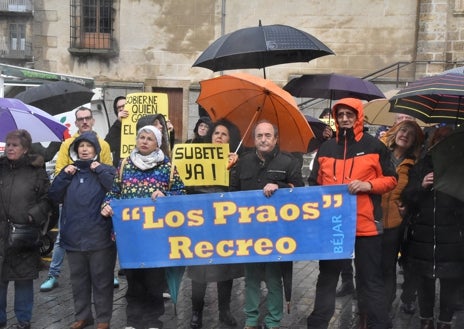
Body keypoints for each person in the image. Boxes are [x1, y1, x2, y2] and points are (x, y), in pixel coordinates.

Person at [306, 98, 397, 329]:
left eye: (349, 114)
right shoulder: (325, 148)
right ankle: (317, 324)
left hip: (366, 225)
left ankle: (378, 324)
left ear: (358, 117)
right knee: (326, 278)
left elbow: (391, 179)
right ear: (336, 118)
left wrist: (369, 186)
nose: (345, 118)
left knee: (370, 280)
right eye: (341, 115)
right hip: (334, 225)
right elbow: (314, 183)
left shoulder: (375, 146)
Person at [101, 125, 185, 329]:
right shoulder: (124, 165)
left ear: (158, 143)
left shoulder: (167, 167)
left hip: (156, 234)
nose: (144, 141)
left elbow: (181, 194)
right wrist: (106, 205)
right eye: (141, 137)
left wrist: (166, 196)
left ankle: (153, 320)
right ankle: (134, 320)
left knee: (154, 279)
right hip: (130, 234)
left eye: (150, 138)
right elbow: (114, 192)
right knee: (134, 278)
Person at [230, 120, 304, 329]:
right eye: (259, 136)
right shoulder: (242, 162)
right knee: (251, 277)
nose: (263, 139)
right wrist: (227, 167)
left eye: (268, 135)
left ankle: (273, 321)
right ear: (254, 139)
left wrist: (279, 186)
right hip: (249, 231)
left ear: (275, 138)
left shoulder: (288, 163)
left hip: (276, 232)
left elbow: (300, 191)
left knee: (273, 278)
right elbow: (231, 192)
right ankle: (251, 319)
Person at [40, 107, 113, 292]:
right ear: (76, 122)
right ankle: (53, 274)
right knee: (62, 237)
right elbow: (59, 171)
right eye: (80, 119)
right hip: (72, 199)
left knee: (104, 237)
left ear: (93, 120)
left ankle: (108, 275)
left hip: (96, 200)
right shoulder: (67, 144)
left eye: (88, 118)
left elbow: (109, 171)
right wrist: (67, 181)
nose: (85, 122)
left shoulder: (103, 144)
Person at [48, 132, 116, 329]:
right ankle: (83, 316)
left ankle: (103, 319)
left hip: (100, 237)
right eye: (81, 146)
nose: (84, 149)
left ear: (96, 149)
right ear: (75, 150)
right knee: (78, 281)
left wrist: (100, 170)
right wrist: (63, 176)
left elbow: (115, 188)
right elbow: (53, 195)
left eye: (89, 145)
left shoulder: (107, 170)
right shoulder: (70, 172)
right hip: (74, 237)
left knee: (102, 281)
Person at [400, 126, 463, 329]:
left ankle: (444, 322)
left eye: (447, 140)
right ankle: (425, 321)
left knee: (450, 284)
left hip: (452, 239)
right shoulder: (420, 166)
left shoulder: (459, 167)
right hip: (423, 239)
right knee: (425, 283)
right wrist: (422, 186)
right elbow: (407, 197)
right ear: (433, 143)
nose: (442, 144)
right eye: (439, 140)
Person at [187, 119, 244, 329]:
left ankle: (224, 311)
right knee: (199, 271)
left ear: (231, 140)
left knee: (225, 270)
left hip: (225, 224)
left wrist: (234, 168)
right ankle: (196, 312)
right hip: (201, 223)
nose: (219, 137)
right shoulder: (195, 159)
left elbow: (238, 192)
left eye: (224, 134)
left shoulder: (236, 163)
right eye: (216, 134)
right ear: (210, 137)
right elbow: (188, 189)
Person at [0, 129, 51, 329]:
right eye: (8, 144)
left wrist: (33, 215)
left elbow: (48, 199)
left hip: (24, 234)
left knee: (23, 280)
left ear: (25, 149)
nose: (10, 148)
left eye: (15, 145)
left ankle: (23, 321)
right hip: (1, 234)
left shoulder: (36, 170)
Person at [379, 120, 424, 319]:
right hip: (372, 219)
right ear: (395, 132)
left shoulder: (414, 165)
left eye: (411, 134)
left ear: (414, 142)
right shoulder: (380, 155)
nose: (405, 134)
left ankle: (385, 307)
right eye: (403, 130)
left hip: (395, 224)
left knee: (388, 266)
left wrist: (406, 203)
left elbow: (414, 192)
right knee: (369, 265)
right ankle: (369, 304)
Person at [105, 96, 129, 167]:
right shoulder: (116, 127)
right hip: (121, 167)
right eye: (119, 107)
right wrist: (119, 122)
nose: (121, 109)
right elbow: (108, 146)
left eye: (124, 106)